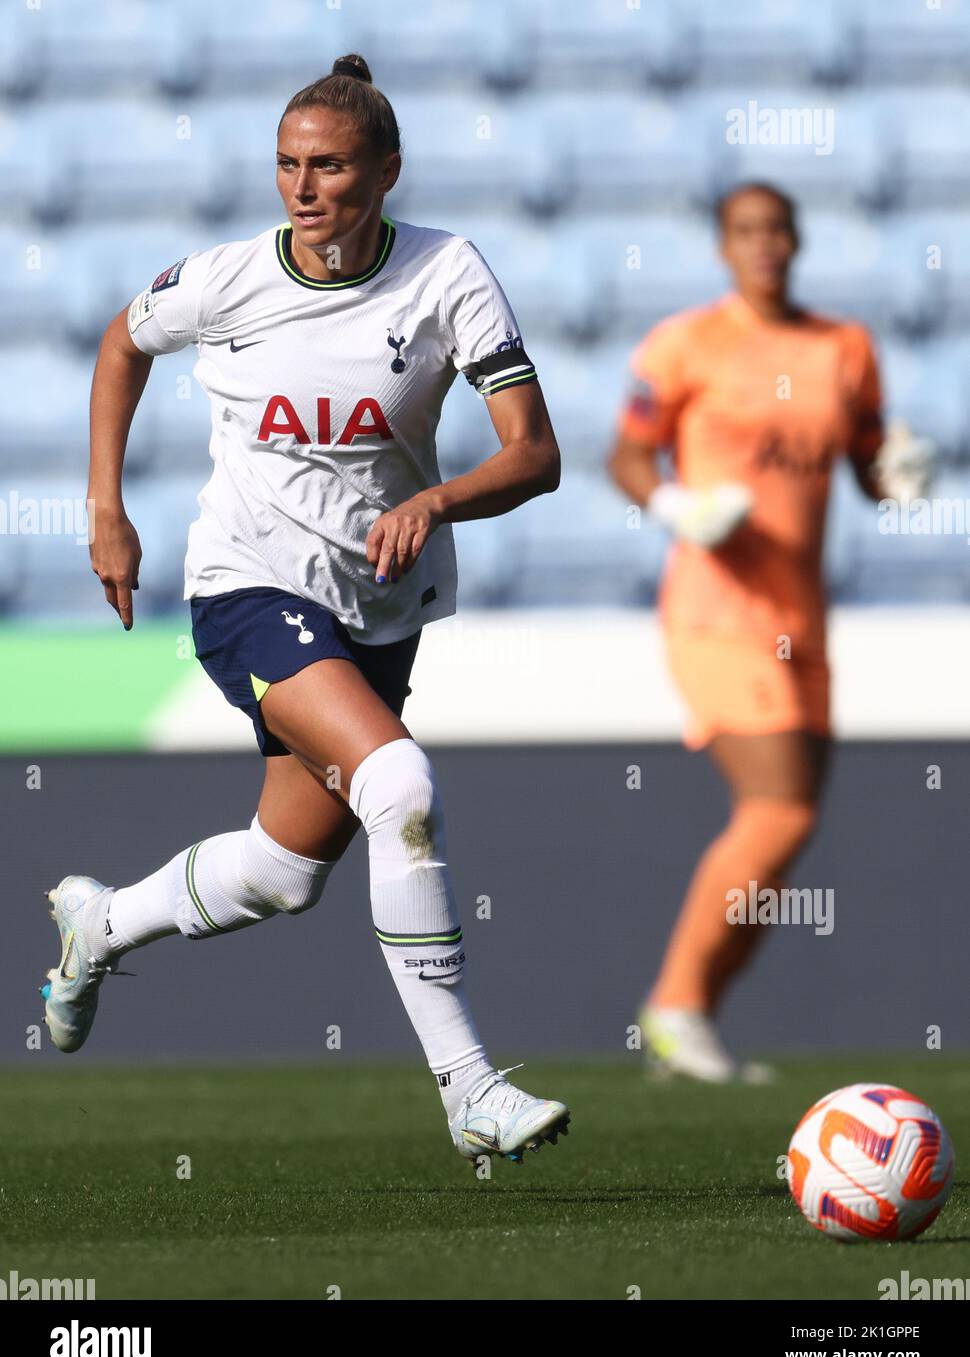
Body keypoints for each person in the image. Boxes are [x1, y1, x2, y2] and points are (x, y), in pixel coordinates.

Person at [42, 55, 569, 1164]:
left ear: (385, 170)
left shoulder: (447, 274)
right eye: (288, 165)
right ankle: (470, 1087)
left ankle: (100, 929)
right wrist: (107, 509)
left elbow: (535, 456)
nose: (304, 187)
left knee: (284, 871)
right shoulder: (228, 279)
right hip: (245, 587)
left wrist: (436, 498)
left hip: (378, 607)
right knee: (401, 783)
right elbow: (120, 344)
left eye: (329, 166)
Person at [607, 183, 934, 1082]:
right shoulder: (686, 344)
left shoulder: (843, 349)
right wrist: (677, 503)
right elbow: (627, 453)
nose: (764, 245)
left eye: (778, 229)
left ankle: (690, 1020)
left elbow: (871, 462)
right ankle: (675, 1004)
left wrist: (899, 473)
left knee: (787, 829)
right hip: (717, 609)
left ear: (797, 240)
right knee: (779, 807)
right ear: (724, 245)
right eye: (746, 230)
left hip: (801, 615)